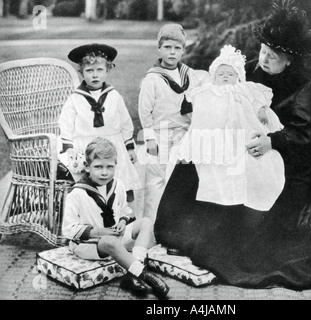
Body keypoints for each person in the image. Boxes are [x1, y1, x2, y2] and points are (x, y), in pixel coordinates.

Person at [154, 1, 311, 290]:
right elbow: (221, 91)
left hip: (291, 156)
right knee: (198, 158)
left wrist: (271, 141)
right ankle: (179, 230)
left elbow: (302, 135)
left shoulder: (303, 89)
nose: (264, 59)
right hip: (247, 143)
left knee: (266, 228)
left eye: (273, 56)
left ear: (289, 60)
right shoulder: (249, 70)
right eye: (263, 51)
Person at [177, 44, 285, 211]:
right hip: (216, 131)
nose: (225, 77)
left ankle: (245, 194)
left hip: (242, 129)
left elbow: (257, 98)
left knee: (244, 160)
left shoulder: (243, 88)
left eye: (230, 74)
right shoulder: (209, 90)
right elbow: (198, 111)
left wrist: (261, 109)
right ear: (214, 77)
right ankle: (220, 196)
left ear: (238, 77)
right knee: (216, 165)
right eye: (221, 74)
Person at [62, 137, 169, 298]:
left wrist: (122, 221)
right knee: (109, 241)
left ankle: (133, 273)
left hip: (114, 236)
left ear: (115, 165)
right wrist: (98, 232)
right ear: (87, 167)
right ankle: (144, 274)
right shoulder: (77, 193)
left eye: (109, 167)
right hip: (88, 244)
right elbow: (68, 230)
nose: (104, 172)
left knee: (146, 222)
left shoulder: (118, 185)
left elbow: (124, 209)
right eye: (98, 167)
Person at [138, 23, 210, 222]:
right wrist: (150, 138)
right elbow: (145, 111)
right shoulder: (152, 78)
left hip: (184, 135)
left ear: (183, 50)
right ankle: (151, 225)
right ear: (159, 49)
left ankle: (176, 224)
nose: (172, 52)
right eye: (167, 47)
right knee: (156, 180)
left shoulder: (190, 75)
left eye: (177, 48)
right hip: (160, 134)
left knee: (181, 179)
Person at [59, 43, 141, 203]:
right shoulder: (75, 98)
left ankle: (122, 217)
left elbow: (125, 122)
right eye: (89, 71)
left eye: (99, 70)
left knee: (119, 183)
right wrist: (70, 151)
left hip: (113, 144)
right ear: (82, 72)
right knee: (90, 190)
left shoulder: (114, 96)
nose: (94, 75)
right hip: (86, 145)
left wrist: (129, 146)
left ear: (107, 70)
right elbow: (66, 124)